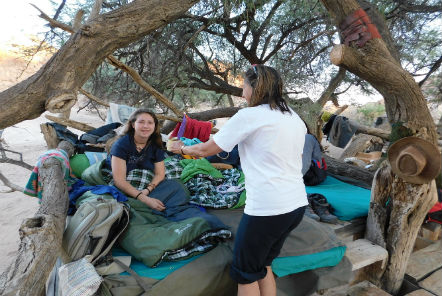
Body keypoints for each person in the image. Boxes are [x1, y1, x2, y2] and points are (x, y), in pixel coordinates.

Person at [169, 64, 307, 296]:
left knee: (245, 273)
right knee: (262, 266)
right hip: (295, 204)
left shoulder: (249, 115)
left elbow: (204, 151)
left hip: (268, 208)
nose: (242, 91)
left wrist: (181, 148)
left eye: (243, 85)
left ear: (254, 87)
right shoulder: (293, 117)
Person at [106, 108, 166, 211]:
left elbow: (160, 174)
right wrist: (145, 199)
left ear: (154, 126)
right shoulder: (122, 144)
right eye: (141, 122)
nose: (146, 126)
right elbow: (119, 180)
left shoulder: (155, 143)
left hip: (146, 180)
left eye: (150, 123)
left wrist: (147, 190)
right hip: (125, 178)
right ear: (133, 125)